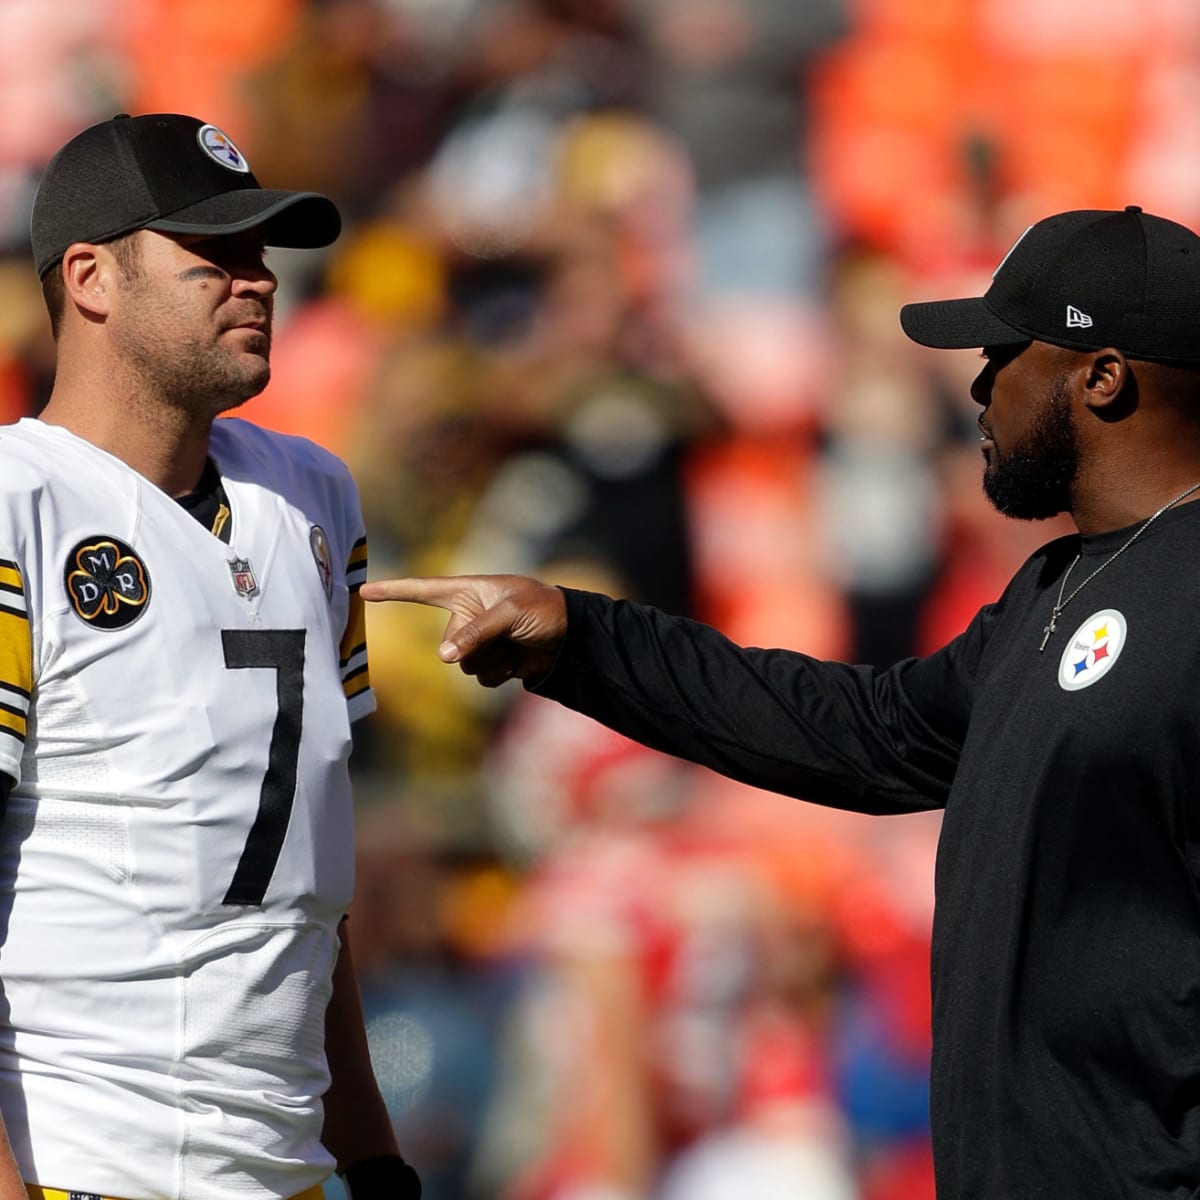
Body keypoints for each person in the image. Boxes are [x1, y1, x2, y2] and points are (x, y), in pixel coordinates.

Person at [362, 205, 1200, 1200]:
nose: (974, 386)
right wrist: (585, 638)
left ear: (1100, 376)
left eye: (1001, 354)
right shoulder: (1051, 590)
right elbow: (862, 730)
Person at [0, 113, 420, 1199]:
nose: (260, 281)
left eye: (263, 254)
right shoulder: (17, 503)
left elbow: (299, 879)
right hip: (90, 1164)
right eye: (214, 256)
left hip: (293, 1168)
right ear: (91, 278)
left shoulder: (312, 494)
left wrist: (370, 1150)